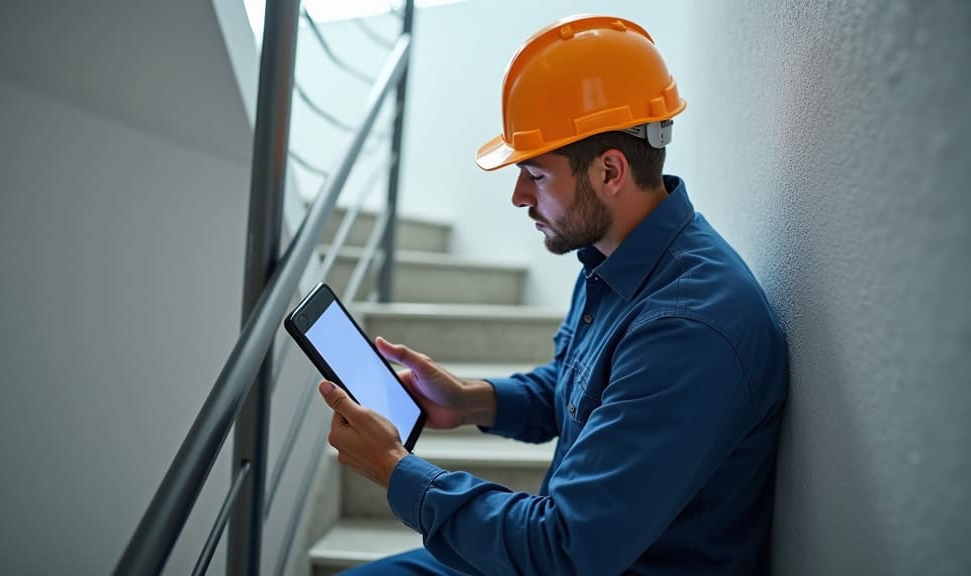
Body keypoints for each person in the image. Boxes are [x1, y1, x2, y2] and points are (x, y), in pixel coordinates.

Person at [317, 14, 788, 575]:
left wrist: (395, 470)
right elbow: (577, 390)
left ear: (610, 171)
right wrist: (470, 400)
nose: (518, 196)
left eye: (535, 174)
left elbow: (564, 551)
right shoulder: (612, 256)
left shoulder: (689, 327)